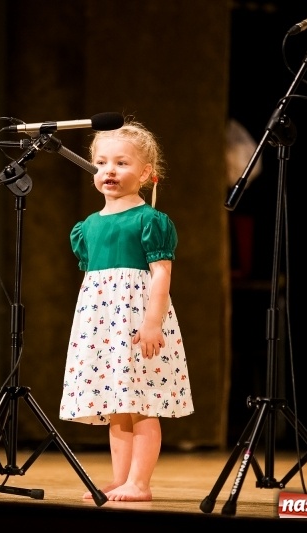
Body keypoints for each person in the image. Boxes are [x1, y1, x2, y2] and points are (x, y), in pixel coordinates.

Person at [59, 120, 193, 502]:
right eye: (101, 163)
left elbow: (161, 275)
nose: (109, 171)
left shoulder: (150, 221)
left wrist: (153, 324)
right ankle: (121, 479)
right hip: (102, 323)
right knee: (117, 405)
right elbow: (95, 284)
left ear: (147, 174)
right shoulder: (86, 227)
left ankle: (141, 482)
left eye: (121, 163)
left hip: (137, 320)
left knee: (142, 403)